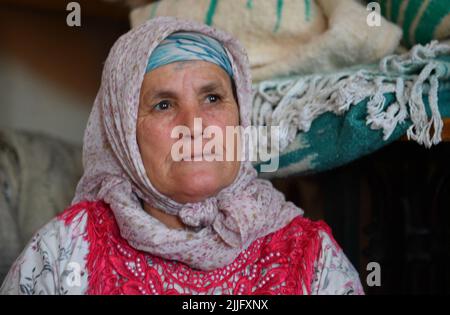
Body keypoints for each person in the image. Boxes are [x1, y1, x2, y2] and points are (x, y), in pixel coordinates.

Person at [0, 16, 364, 295]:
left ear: (241, 116)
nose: (194, 124)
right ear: (124, 135)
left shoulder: (312, 257)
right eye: (163, 104)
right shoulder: (64, 251)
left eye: (212, 98)